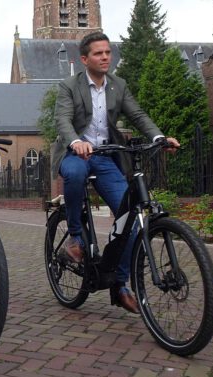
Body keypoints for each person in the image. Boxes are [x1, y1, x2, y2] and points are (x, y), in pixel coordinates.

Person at [52, 32, 180, 314]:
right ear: (84, 59)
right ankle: (75, 237)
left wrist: (159, 137)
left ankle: (119, 283)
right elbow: (61, 118)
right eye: (98, 54)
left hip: (104, 156)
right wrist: (76, 141)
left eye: (108, 52)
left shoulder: (118, 85)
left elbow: (138, 115)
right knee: (73, 175)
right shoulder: (69, 86)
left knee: (130, 215)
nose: (105, 57)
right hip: (75, 153)